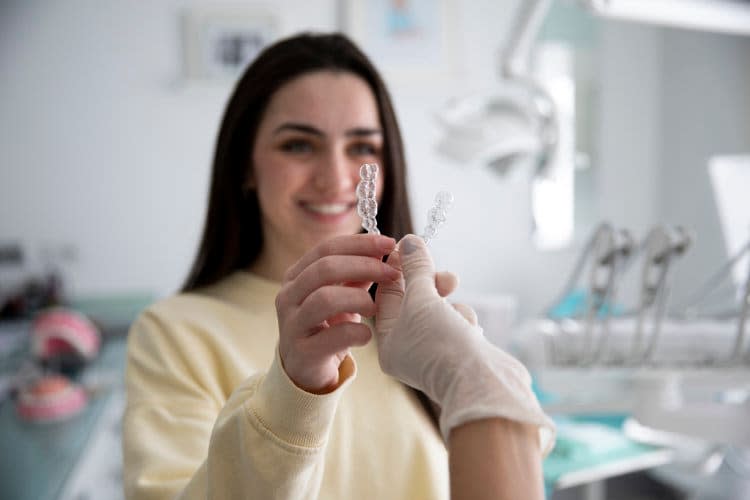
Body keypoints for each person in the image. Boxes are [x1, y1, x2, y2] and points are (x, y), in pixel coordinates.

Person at [123, 32, 554, 500]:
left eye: (363, 148)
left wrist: (471, 373)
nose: (336, 178)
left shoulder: (412, 326)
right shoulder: (175, 332)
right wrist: (293, 393)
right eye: (298, 146)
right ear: (245, 166)